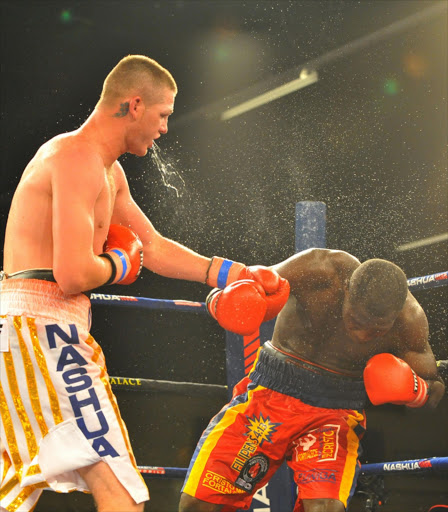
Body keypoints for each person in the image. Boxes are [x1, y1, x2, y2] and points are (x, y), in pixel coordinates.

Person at [0, 54, 290, 512]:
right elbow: (73, 273)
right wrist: (117, 264)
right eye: (163, 115)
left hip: (41, 330)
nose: (165, 129)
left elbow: (149, 246)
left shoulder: (107, 171)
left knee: (17, 490)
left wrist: (229, 272)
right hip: (42, 330)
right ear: (134, 105)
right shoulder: (75, 159)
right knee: (118, 484)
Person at [179, 248, 445, 512]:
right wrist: (224, 302)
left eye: (377, 330)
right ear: (346, 289)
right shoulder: (323, 270)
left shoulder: (409, 320)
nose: (363, 335)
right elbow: (246, 286)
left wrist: (416, 391)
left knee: (326, 509)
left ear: (395, 316)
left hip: (334, 414)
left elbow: (434, 389)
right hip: (269, 394)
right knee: (198, 505)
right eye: (355, 320)